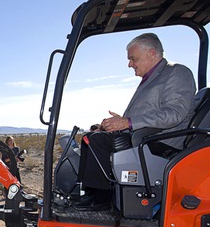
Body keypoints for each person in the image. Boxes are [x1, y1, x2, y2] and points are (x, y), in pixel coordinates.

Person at [77, 32, 196, 209]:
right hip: (145, 134)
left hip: (161, 141)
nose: (130, 64)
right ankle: (89, 194)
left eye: (133, 59)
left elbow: (174, 114)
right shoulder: (153, 77)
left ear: (151, 53)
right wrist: (119, 122)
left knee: (97, 141)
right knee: (90, 137)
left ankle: (101, 200)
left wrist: (128, 123)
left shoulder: (177, 73)